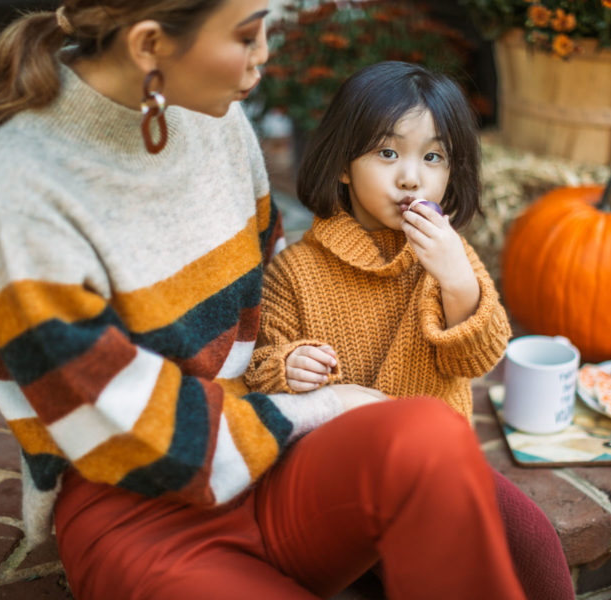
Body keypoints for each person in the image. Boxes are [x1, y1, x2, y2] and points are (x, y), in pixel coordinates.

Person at [0, 2, 527, 599]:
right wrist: (319, 407)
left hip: (272, 467)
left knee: (487, 498)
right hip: (140, 509)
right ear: (150, 46)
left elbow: (266, 310)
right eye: (248, 35)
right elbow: (121, 423)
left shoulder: (215, 119)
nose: (265, 54)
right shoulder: (17, 185)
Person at [246, 61, 575, 600]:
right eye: (387, 152)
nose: (410, 177)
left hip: (439, 475)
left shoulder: (448, 258)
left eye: (433, 157)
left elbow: (479, 355)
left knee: (532, 538)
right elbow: (260, 370)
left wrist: (456, 279)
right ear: (344, 165)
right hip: (346, 482)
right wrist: (290, 365)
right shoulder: (296, 271)